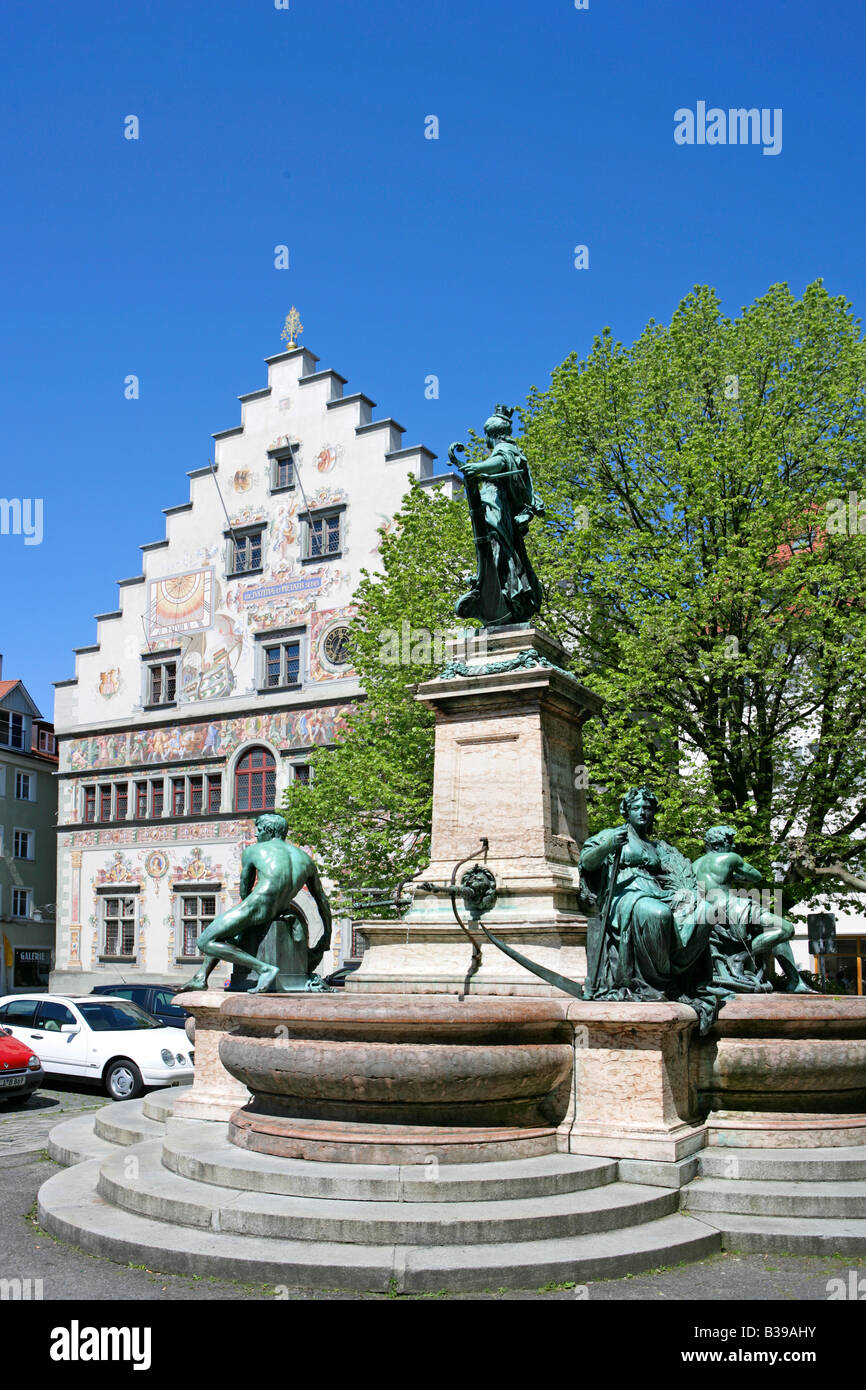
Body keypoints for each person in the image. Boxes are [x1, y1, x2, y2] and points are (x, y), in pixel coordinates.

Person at [579, 786, 719, 1031]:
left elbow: (678, 874)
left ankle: (682, 975)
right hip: (626, 897)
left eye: (647, 808)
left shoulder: (659, 846)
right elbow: (587, 863)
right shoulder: (613, 834)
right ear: (627, 811)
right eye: (636, 808)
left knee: (706, 910)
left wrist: (686, 893)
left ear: (653, 812)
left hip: (658, 893)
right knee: (657, 914)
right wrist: (608, 846)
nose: (642, 812)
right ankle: (659, 983)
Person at [181, 813, 332, 993]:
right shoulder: (305, 859)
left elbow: (244, 889)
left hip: (256, 906)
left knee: (205, 941)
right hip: (281, 908)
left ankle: (264, 969)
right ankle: (200, 977)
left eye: (259, 830)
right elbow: (321, 898)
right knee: (227, 934)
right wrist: (327, 933)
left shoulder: (253, 850)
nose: (257, 835)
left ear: (269, 831)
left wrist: (244, 919)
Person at [449, 404, 544, 628]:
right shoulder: (511, 450)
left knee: (495, 547)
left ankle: (500, 589)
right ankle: (502, 589)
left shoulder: (505, 450)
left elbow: (499, 463)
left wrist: (477, 467)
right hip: (495, 510)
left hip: (497, 510)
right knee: (497, 550)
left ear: (491, 435)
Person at [693, 825, 811, 994]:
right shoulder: (730, 858)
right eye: (730, 842)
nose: (733, 846)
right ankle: (740, 957)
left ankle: (796, 981)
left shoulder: (695, 865)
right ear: (719, 844)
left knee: (774, 930)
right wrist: (735, 875)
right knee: (786, 929)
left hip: (709, 912)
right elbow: (755, 876)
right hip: (733, 908)